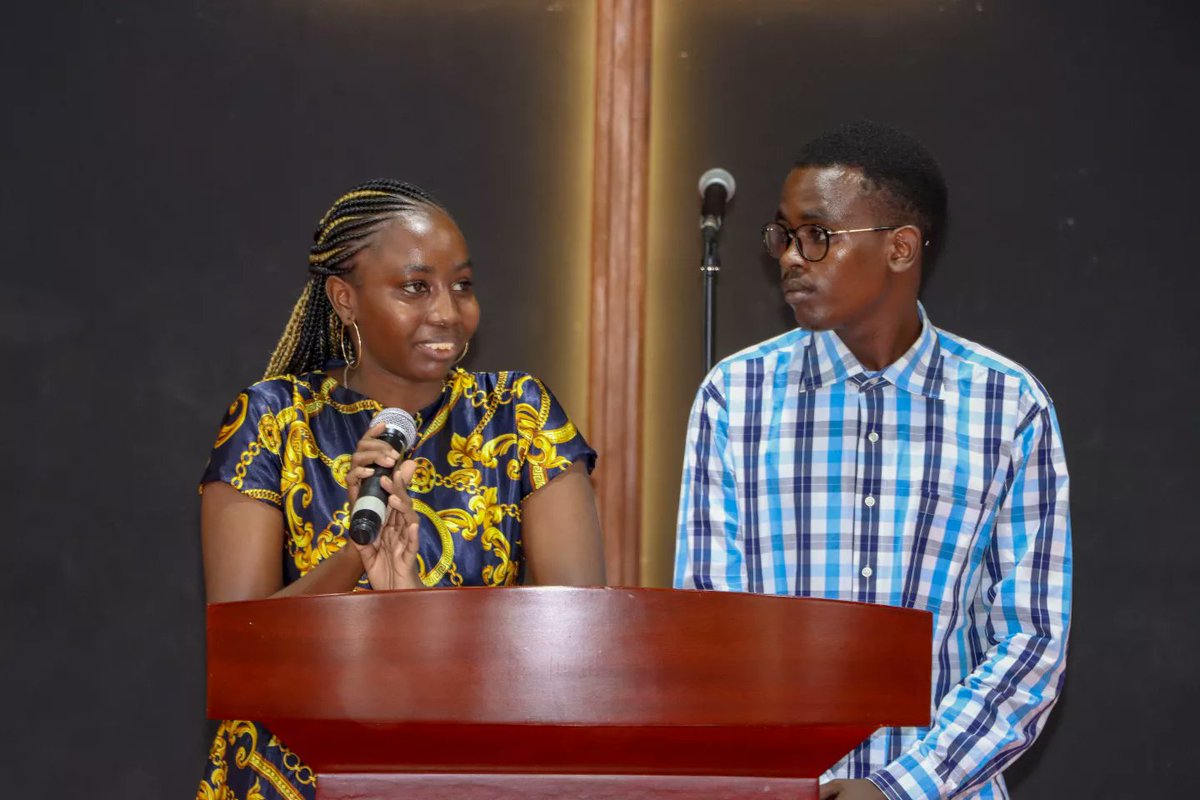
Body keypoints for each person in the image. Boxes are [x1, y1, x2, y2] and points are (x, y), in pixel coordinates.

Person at [674, 122, 1071, 800]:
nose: (791, 259)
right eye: (783, 236)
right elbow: (709, 632)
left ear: (901, 247)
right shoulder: (735, 398)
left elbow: (1030, 643)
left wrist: (900, 788)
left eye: (817, 235)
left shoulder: (1008, 406)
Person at [195, 179, 606, 800]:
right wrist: (353, 560)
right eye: (416, 287)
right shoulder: (275, 421)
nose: (447, 311)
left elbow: (576, 646)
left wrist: (414, 604)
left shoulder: (519, 417)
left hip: (469, 771)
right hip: (292, 777)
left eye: (461, 285)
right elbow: (238, 657)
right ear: (344, 298)